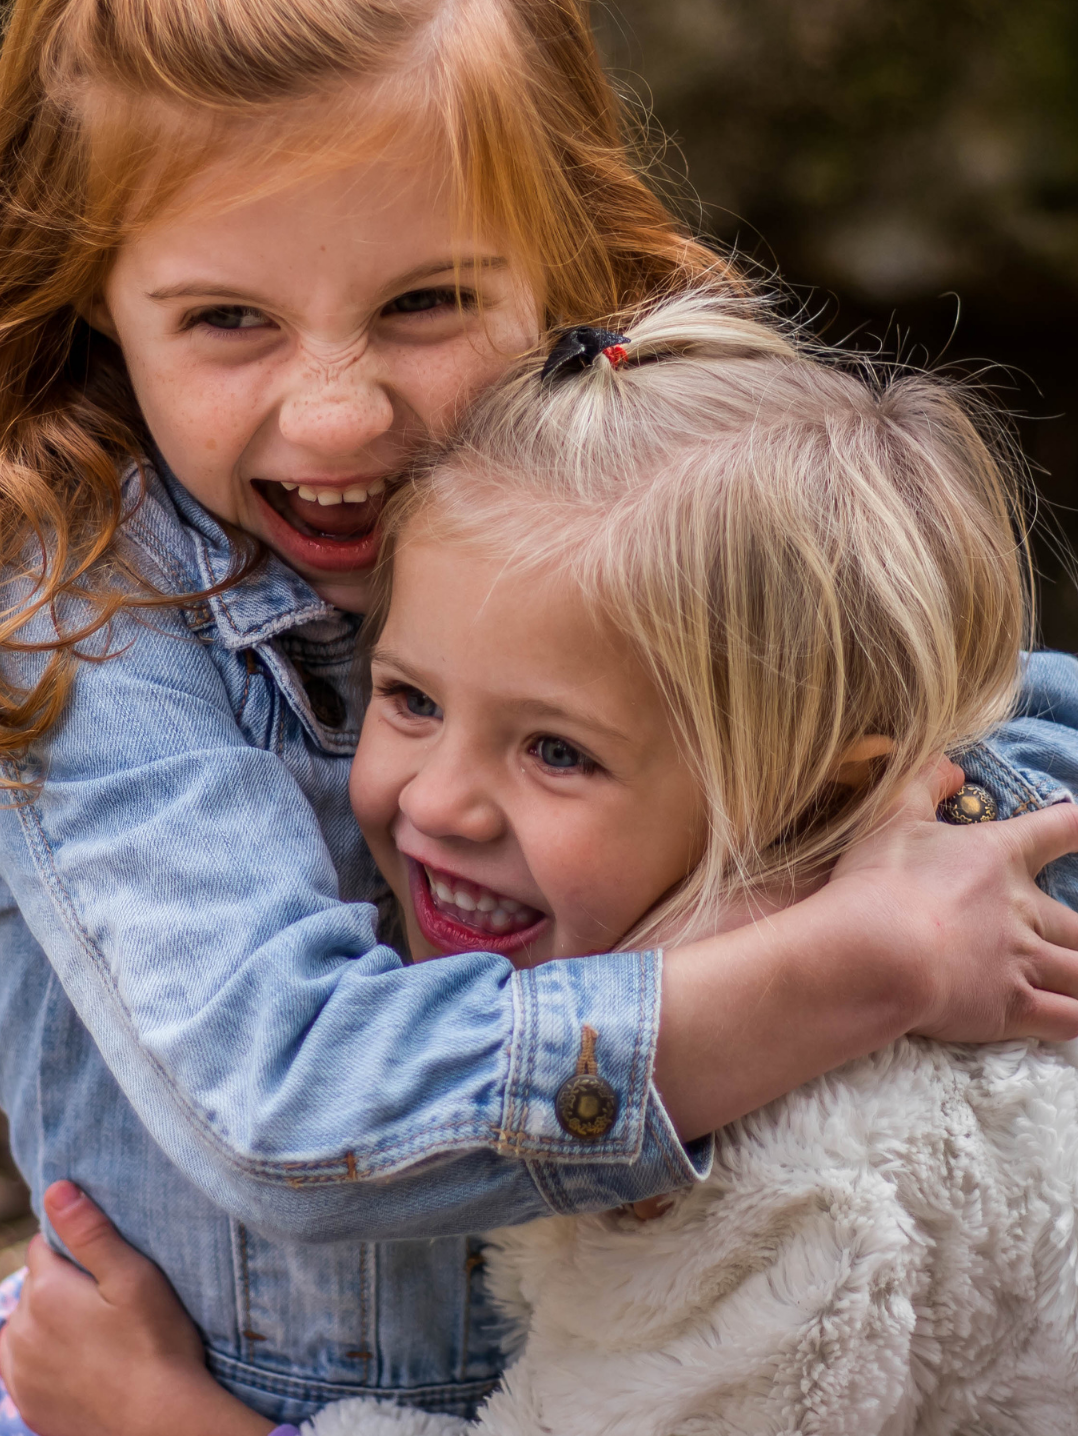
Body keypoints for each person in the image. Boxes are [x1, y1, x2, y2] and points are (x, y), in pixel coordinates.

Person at [2, 0, 1078, 1430]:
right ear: (92, 295)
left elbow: (994, 710)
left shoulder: (651, 485)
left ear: (560, 259)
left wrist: (860, 836)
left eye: (425, 302)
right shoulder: (77, 615)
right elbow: (292, 1103)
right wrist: (842, 961)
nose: (334, 417)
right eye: (226, 321)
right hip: (215, 1393)